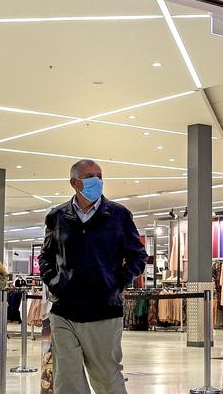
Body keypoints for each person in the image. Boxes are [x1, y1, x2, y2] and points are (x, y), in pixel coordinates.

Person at [38, 159, 148, 394]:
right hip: (63, 311)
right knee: (67, 380)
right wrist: (54, 283)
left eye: (100, 175)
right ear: (74, 182)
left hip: (103, 310)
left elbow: (138, 256)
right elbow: (45, 257)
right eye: (90, 176)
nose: (97, 180)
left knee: (106, 378)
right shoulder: (57, 216)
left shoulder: (118, 215)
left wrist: (116, 283)